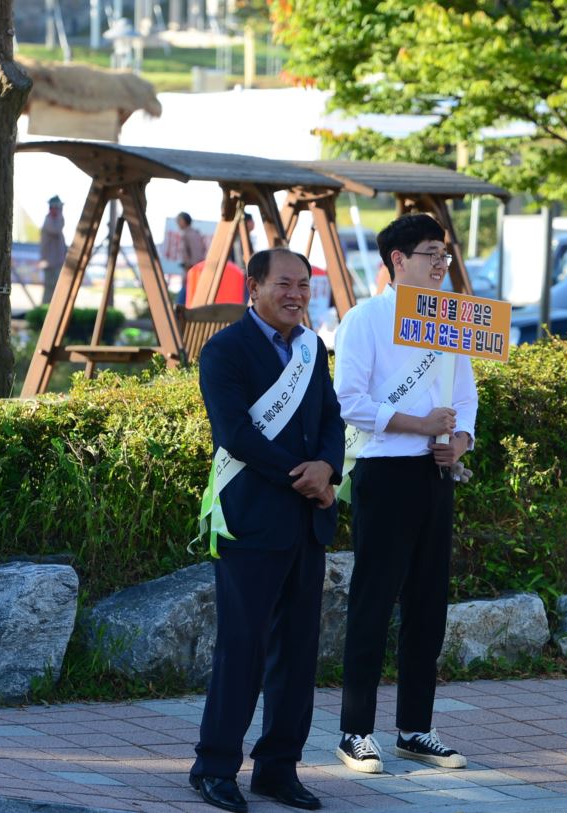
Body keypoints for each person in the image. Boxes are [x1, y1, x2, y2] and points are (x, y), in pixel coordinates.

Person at [189, 248, 344, 812]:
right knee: (242, 650)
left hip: (306, 522)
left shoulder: (312, 348)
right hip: (252, 521)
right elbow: (235, 433)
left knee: (298, 655)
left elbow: (331, 417)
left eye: (304, 285)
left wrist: (329, 469)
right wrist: (301, 476)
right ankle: (214, 768)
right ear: (252, 286)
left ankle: (278, 768)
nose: (296, 294)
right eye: (284, 284)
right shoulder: (225, 350)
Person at [332, 213, 477, 774]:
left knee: (428, 605)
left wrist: (460, 438)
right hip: (384, 473)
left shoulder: (451, 318)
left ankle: (416, 727)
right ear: (397, 260)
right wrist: (419, 425)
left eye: (445, 253)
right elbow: (350, 400)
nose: (442, 263)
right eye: (430, 253)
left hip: (435, 476)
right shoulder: (365, 319)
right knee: (373, 602)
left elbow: (464, 393)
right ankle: (354, 732)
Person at [39, 196, 66, 303]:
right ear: (52, 208)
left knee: (56, 289)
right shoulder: (49, 222)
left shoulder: (55, 221)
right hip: (50, 263)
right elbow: (57, 229)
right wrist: (60, 217)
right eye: (58, 208)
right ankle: (45, 312)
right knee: (50, 289)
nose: (60, 210)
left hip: (56, 263)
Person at [177, 212, 207, 303]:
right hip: (190, 271)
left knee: (184, 299)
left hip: (192, 272)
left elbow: (197, 256)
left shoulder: (191, 234)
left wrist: (191, 269)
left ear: (183, 221)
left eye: (178, 220)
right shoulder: (190, 233)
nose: (177, 223)